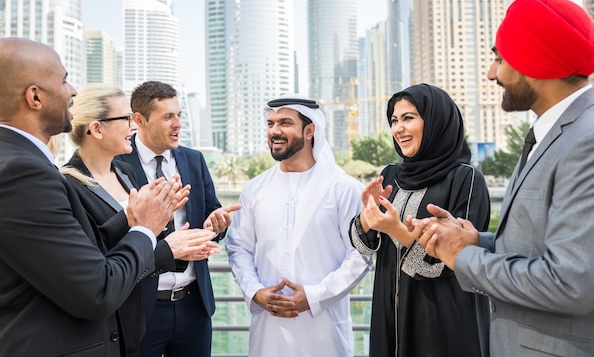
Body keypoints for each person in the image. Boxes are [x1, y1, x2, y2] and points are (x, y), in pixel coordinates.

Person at [0, 38, 181, 356]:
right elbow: (98, 290)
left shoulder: (15, 163)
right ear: (35, 97)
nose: (73, 91)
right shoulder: (19, 175)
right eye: (64, 79)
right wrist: (145, 228)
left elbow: (69, 255)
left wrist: (131, 218)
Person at [412, 0, 594, 357]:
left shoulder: (584, 142)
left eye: (499, 58)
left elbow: (571, 282)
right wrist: (478, 241)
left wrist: (460, 256)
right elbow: (545, 246)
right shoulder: (557, 134)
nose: (492, 73)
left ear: (535, 60)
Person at [60, 84, 220, 356]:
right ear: (97, 129)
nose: (131, 128)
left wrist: (185, 235)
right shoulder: (67, 185)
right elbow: (100, 257)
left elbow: (126, 235)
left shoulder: (123, 173)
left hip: (185, 304)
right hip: (127, 314)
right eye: (125, 119)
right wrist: (165, 246)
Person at [348, 83, 490, 357]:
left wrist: (398, 231)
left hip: (443, 321)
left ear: (436, 121)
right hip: (390, 316)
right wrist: (367, 219)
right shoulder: (390, 175)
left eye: (408, 118)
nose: (398, 129)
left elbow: (460, 260)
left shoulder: (466, 179)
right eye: (393, 120)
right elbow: (364, 246)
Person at [225, 94, 371, 357]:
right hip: (267, 334)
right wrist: (256, 292)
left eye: (285, 123)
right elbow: (238, 249)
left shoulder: (343, 188)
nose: (275, 131)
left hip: (325, 334)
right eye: (270, 124)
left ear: (310, 130)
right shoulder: (254, 189)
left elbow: (361, 255)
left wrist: (314, 297)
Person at [116, 80, 240, 357]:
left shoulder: (194, 160)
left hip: (194, 306)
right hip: (140, 309)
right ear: (139, 120)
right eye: (168, 117)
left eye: (179, 115)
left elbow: (210, 213)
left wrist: (215, 224)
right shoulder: (117, 163)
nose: (178, 124)